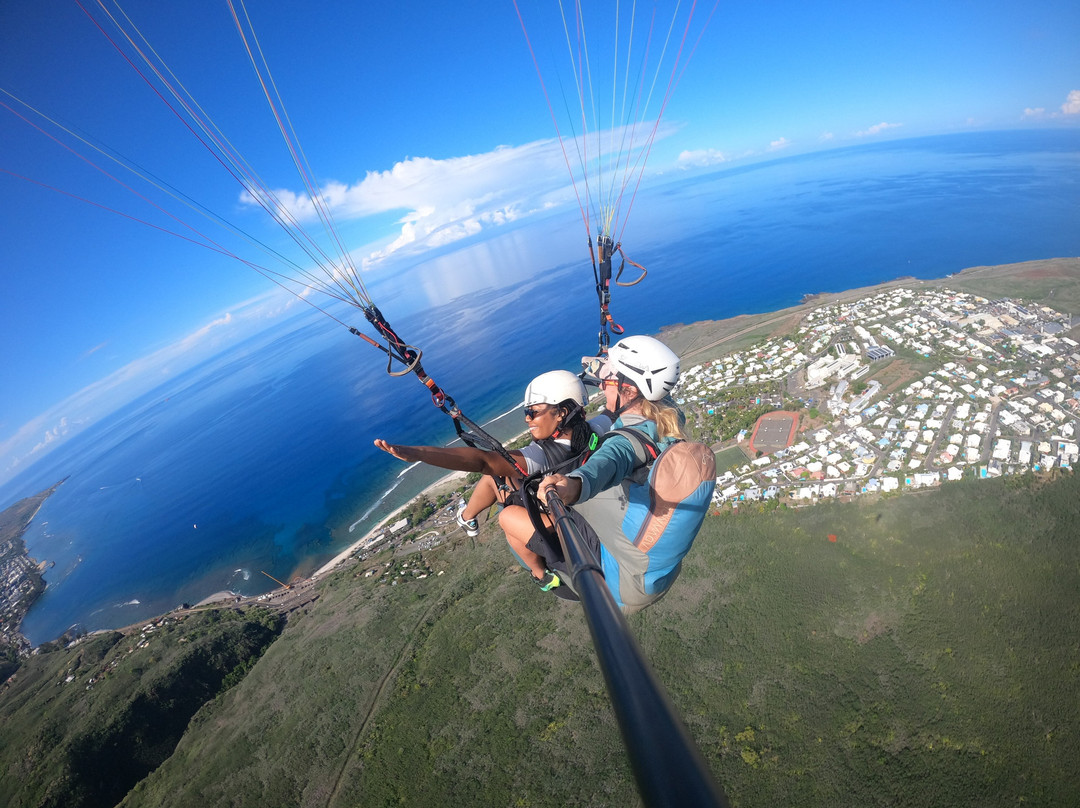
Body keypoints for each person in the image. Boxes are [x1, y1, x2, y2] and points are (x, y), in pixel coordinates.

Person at [373, 370, 617, 584]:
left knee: (508, 515)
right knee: (495, 479)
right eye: (525, 412)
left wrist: (420, 454)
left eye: (532, 412)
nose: (527, 418)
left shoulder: (541, 456)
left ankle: (541, 575)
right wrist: (613, 386)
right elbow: (611, 411)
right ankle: (467, 517)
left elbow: (482, 461)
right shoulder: (594, 430)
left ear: (562, 412)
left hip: (570, 530)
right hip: (580, 506)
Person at [500, 335, 686, 609]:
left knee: (507, 515)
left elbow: (602, 467)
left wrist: (570, 485)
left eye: (608, 380)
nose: (601, 383)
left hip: (610, 572)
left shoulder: (624, 444)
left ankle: (543, 575)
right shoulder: (668, 416)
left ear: (630, 391)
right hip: (649, 562)